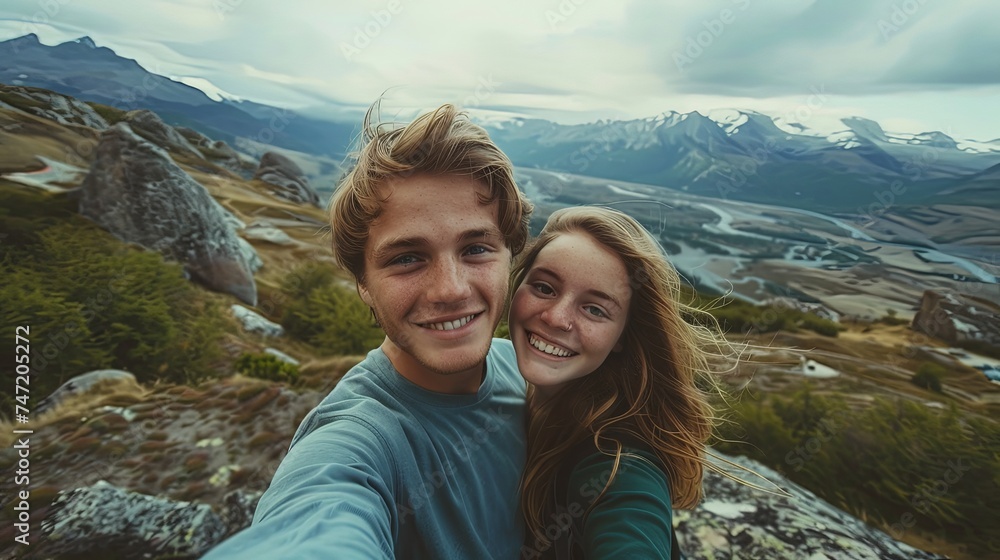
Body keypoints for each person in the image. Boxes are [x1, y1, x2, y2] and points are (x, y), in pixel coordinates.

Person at [203, 103, 533, 559]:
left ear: (510, 256)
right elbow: (314, 521)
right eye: (406, 258)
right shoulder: (361, 438)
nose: (451, 290)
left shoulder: (529, 370)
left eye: (476, 248)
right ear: (363, 283)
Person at [509, 206, 733, 559]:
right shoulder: (500, 369)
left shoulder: (616, 461)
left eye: (595, 309)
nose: (556, 318)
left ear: (622, 338)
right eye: (544, 287)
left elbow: (629, 523)